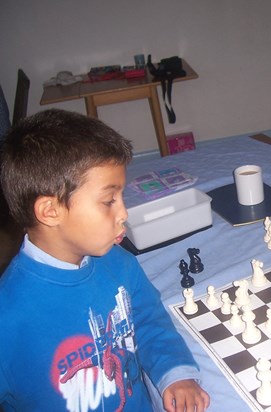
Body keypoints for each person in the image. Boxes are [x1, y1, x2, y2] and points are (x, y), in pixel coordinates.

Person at [0, 109, 210, 411]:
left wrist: (175, 374)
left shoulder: (121, 264)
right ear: (50, 211)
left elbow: (149, 320)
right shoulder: (7, 319)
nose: (124, 213)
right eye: (109, 201)